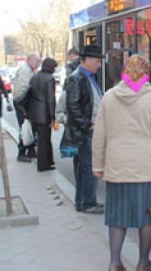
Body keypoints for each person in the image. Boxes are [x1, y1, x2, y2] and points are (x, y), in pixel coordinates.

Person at [92, 55, 151, 271]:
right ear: (146, 72)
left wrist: (98, 164)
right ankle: (143, 262)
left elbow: (99, 134)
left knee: (117, 216)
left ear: (124, 71)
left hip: (117, 167)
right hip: (147, 169)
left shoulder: (109, 96)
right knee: (147, 218)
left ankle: (115, 262)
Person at [60, 44, 105, 214]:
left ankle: (83, 201)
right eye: (97, 61)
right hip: (87, 130)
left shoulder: (87, 76)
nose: (99, 65)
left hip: (89, 129)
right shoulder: (77, 77)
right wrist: (88, 124)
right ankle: (87, 202)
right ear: (86, 60)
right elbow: (73, 106)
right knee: (88, 167)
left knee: (84, 167)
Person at [26, 58, 57, 172]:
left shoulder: (35, 76)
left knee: (41, 139)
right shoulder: (49, 79)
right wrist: (52, 117)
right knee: (45, 140)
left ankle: (48, 161)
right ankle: (43, 164)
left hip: (34, 113)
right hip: (44, 114)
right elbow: (50, 100)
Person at [13, 53, 41, 162]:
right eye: (37, 61)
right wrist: (24, 105)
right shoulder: (25, 70)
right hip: (22, 104)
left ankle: (30, 149)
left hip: (24, 103)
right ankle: (22, 151)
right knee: (25, 128)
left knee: (30, 127)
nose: (38, 64)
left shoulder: (28, 70)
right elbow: (23, 89)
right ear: (31, 60)